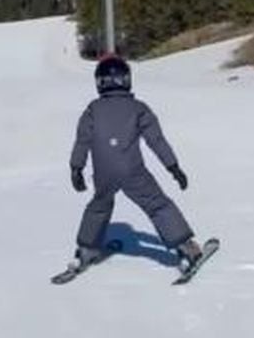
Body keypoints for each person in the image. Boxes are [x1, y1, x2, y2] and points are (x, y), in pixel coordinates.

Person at [69, 55, 203, 269]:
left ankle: (86, 250)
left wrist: (76, 168)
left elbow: (82, 140)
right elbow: (156, 141)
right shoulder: (138, 108)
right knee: (157, 204)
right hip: (132, 171)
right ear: (127, 79)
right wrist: (173, 167)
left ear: (100, 83)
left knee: (99, 205)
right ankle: (186, 247)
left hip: (103, 173)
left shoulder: (92, 110)